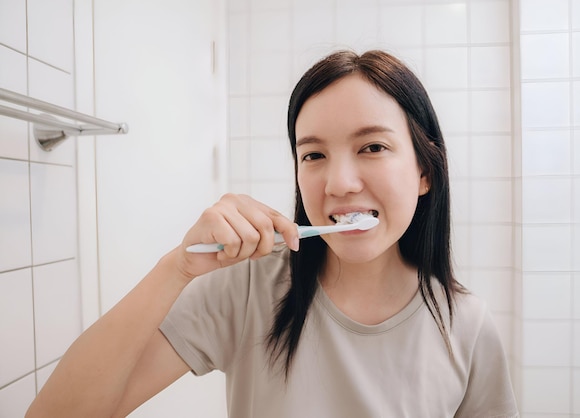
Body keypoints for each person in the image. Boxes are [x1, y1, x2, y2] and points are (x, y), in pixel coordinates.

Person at [26, 50, 518, 418]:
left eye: (371, 146)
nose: (339, 183)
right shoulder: (245, 291)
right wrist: (175, 268)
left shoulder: (466, 327)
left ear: (425, 171)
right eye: (314, 155)